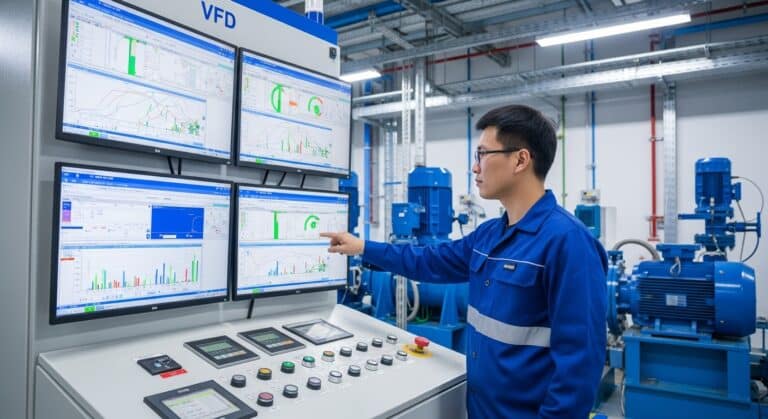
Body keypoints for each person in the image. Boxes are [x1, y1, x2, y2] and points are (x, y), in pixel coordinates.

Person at [321, 104, 607, 419]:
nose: (475, 167)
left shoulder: (568, 243)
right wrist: (363, 247)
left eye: (482, 154)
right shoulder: (489, 236)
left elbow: (579, 368)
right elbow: (429, 260)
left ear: (520, 160)